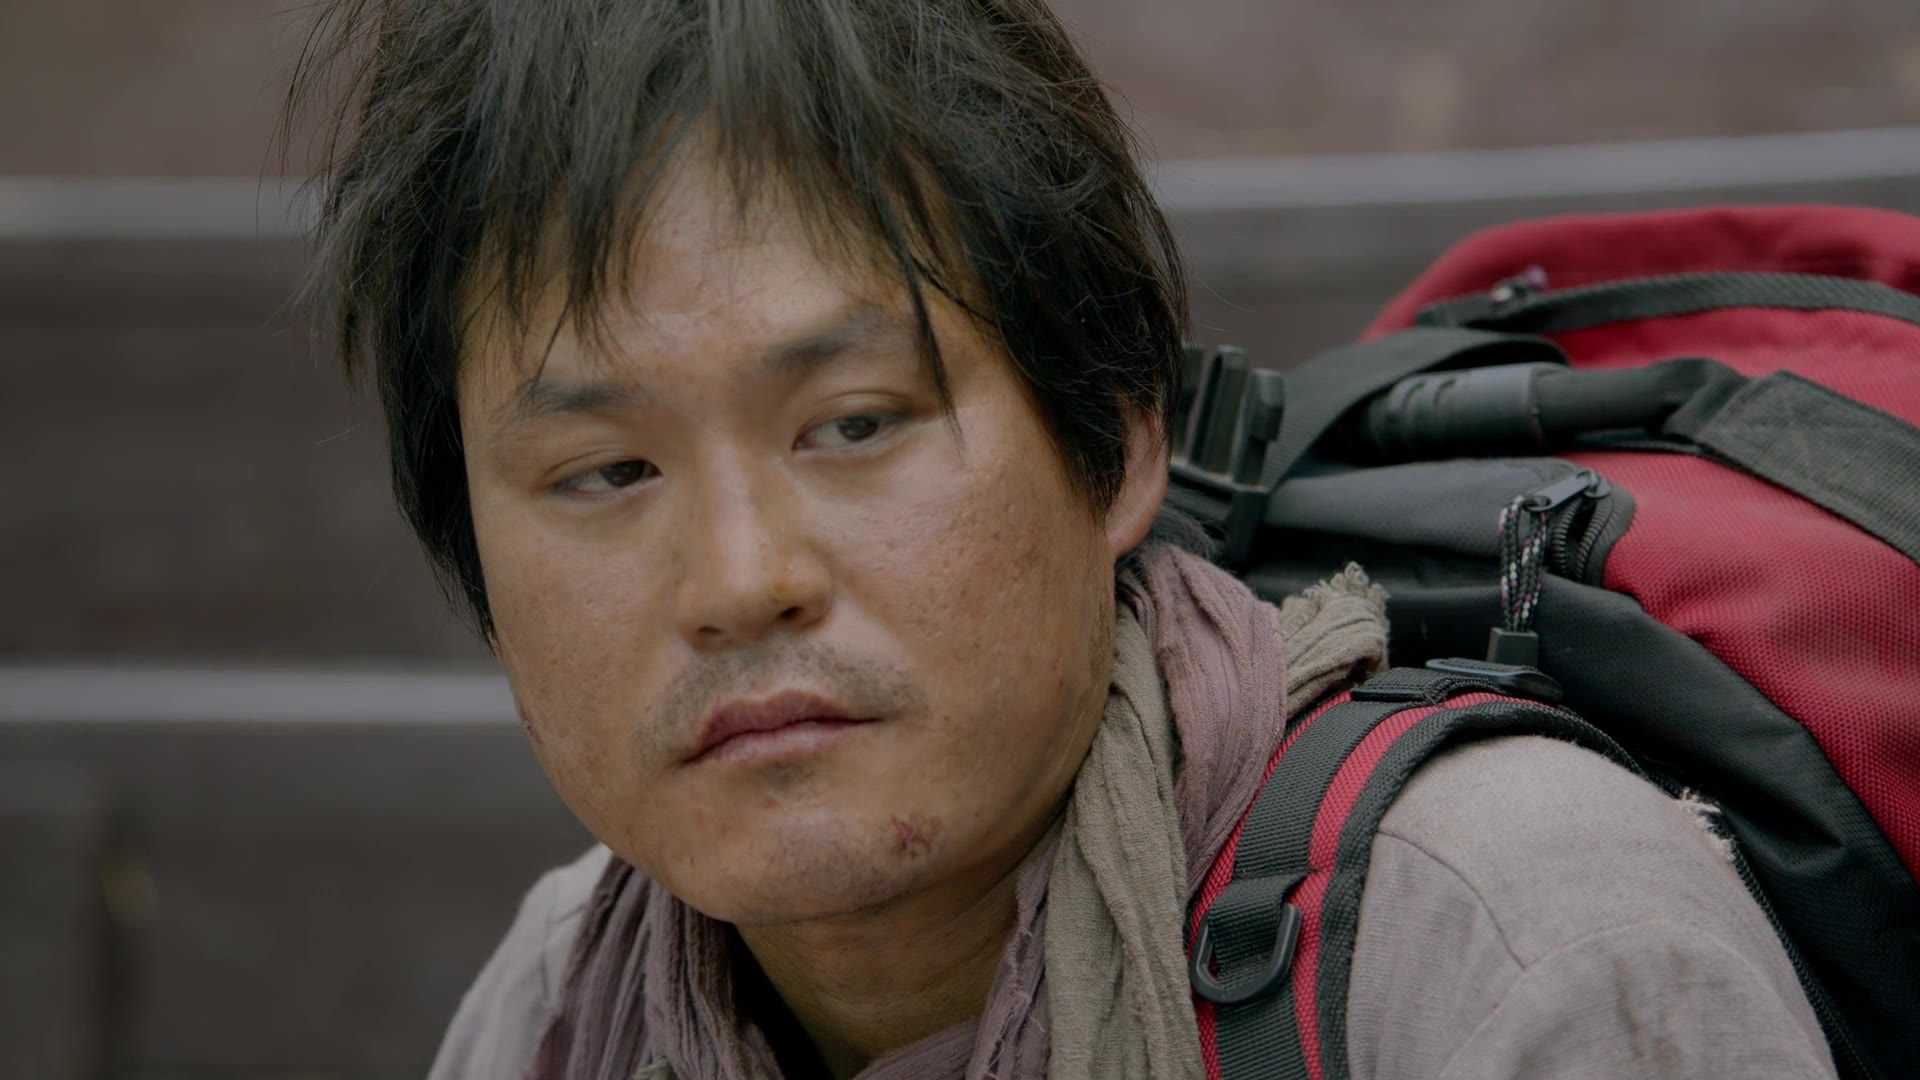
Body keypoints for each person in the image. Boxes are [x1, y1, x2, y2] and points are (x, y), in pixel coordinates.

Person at [288, 1, 1839, 1076]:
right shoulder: (562, 1004)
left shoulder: (1508, 946)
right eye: (607, 470)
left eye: (855, 423)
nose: (741, 581)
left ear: (1118, 438)